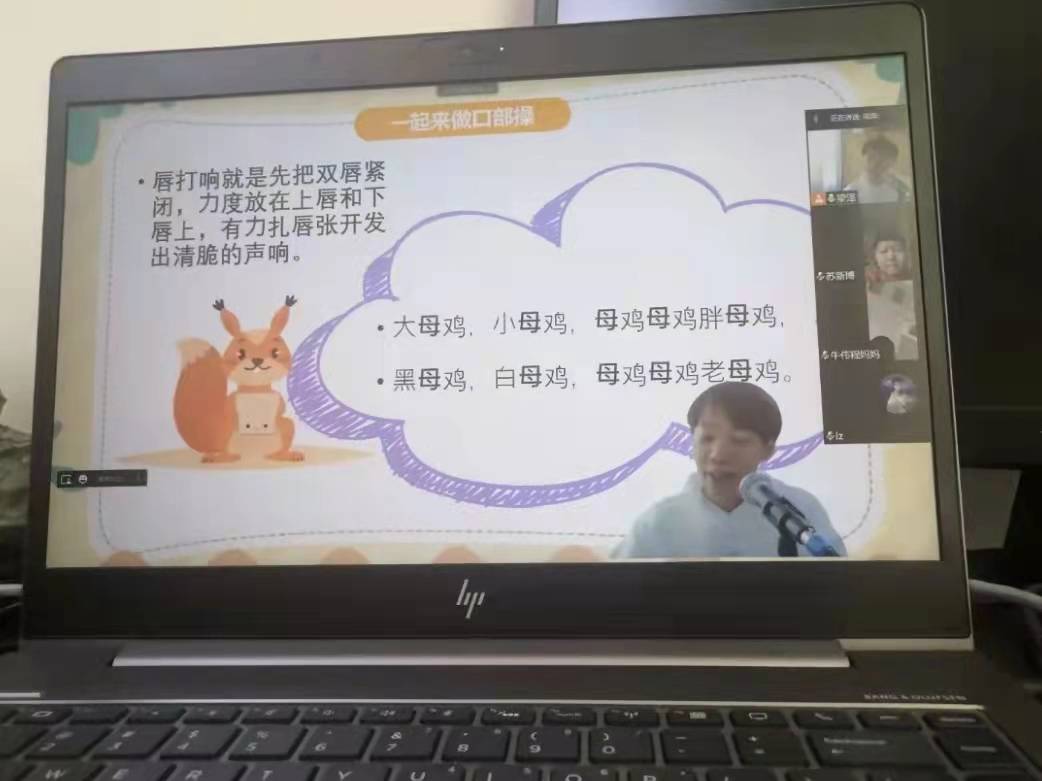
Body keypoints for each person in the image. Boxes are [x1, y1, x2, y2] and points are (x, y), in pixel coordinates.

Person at [614, 383, 846, 559]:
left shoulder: (801, 511)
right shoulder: (659, 522)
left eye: (739, 440)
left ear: (768, 449)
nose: (718, 455)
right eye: (707, 439)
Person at [843, 135, 911, 204]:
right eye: (871, 158)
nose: (874, 164)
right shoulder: (850, 191)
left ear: (892, 162)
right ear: (863, 158)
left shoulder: (903, 189)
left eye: (882, 159)